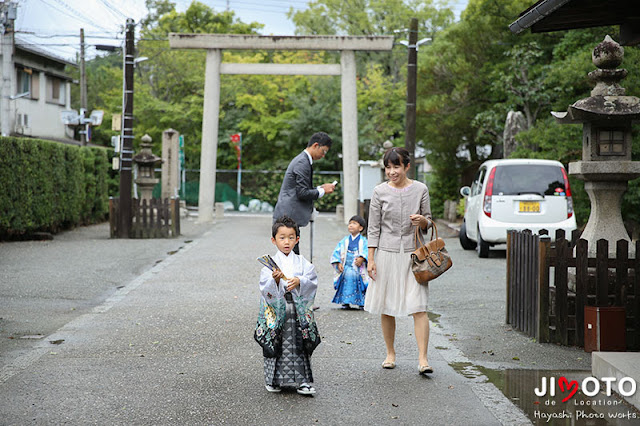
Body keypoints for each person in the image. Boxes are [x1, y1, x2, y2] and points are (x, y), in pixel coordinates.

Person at [364, 147, 433, 375]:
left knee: (419, 306)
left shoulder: (421, 189)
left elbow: (429, 223)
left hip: (415, 256)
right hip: (386, 252)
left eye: (396, 166)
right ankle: (390, 353)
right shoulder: (379, 192)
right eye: (388, 167)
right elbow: (373, 228)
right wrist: (371, 259)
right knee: (386, 306)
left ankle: (423, 359)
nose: (392, 171)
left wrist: (423, 220)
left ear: (406, 166)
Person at [255, 215, 320, 395]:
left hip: (296, 311)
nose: (286, 242)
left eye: (291, 237)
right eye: (282, 237)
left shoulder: (302, 262)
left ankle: (302, 381)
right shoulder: (268, 266)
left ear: (297, 239)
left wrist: (300, 281)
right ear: (273, 240)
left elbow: (312, 280)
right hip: (277, 311)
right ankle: (273, 380)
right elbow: (265, 289)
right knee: (276, 344)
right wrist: (274, 281)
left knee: (298, 345)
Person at [273, 132, 336, 255]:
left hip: (288, 216)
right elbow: (302, 193)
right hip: (288, 217)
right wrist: (322, 191)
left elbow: (301, 189)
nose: (323, 155)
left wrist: (320, 188)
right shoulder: (302, 162)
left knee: (290, 257)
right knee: (290, 259)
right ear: (316, 145)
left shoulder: (303, 160)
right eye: (324, 151)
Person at [330, 215, 369, 310]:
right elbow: (337, 251)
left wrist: (362, 258)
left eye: (354, 224)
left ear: (360, 228)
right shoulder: (345, 240)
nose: (351, 225)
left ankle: (361, 302)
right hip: (346, 266)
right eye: (350, 223)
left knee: (359, 283)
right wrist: (338, 262)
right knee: (346, 283)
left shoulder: (364, 241)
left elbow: (366, 250)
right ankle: (345, 301)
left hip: (357, 267)